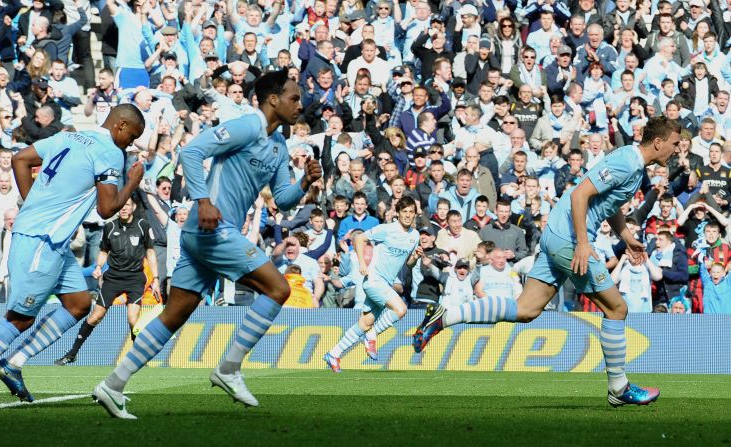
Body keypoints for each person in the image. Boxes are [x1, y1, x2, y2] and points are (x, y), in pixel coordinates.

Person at [93, 69, 322, 418]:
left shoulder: (278, 145)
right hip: (212, 229)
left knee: (174, 314)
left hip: (209, 235)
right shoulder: (247, 127)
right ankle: (229, 368)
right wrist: (202, 200)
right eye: (293, 98)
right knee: (277, 288)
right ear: (273, 99)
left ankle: (112, 385)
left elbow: (283, 199)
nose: (299, 104)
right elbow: (192, 152)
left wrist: (304, 182)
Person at [413, 116, 682, 407]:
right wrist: (582, 243)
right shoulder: (628, 162)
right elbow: (580, 194)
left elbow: (609, 204)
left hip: (557, 233)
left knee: (526, 309)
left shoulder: (634, 164)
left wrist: (627, 236)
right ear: (658, 142)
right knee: (617, 308)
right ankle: (619, 388)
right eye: (675, 144)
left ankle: (445, 316)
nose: (677, 150)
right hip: (569, 239)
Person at [0, 104, 146, 410]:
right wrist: (133, 181)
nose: (133, 142)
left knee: (78, 304)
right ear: (120, 125)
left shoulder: (70, 137)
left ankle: (13, 364)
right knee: (21, 318)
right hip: (41, 240)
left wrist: (31, 202)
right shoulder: (111, 152)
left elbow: (20, 158)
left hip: (51, 240)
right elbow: (106, 210)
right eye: (134, 134)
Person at [54, 198, 160, 366]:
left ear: (132, 207)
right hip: (113, 279)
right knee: (96, 317)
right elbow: (104, 251)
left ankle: (138, 358)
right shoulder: (110, 227)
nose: (124, 209)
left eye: (127, 206)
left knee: (133, 320)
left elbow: (151, 252)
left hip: (135, 279)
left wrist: (155, 278)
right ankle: (72, 353)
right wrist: (98, 266)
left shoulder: (142, 226)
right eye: (121, 206)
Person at [324, 196, 421, 372]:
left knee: (365, 322)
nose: (408, 215)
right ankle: (372, 336)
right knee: (401, 309)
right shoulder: (386, 229)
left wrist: (414, 258)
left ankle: (334, 353)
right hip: (374, 281)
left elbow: (409, 264)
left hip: (386, 284)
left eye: (411, 212)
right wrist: (362, 263)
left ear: (415, 214)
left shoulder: (415, 236)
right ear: (398, 213)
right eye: (404, 211)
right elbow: (360, 238)